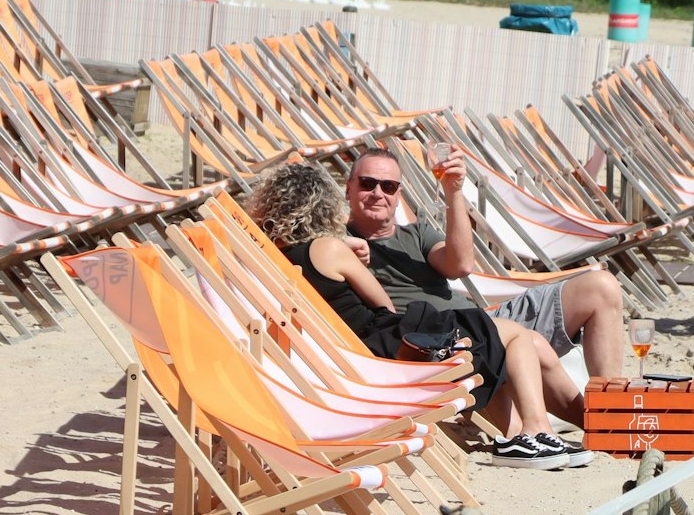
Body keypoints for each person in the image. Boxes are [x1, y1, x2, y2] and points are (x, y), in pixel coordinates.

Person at [247, 161, 593, 470]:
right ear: (325, 203)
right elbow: (382, 303)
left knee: (502, 336)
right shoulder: (331, 248)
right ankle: (535, 431)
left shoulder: (277, 258)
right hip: (390, 350)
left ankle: (523, 434)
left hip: (355, 357)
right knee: (514, 333)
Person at [343, 144, 637, 420]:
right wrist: (343, 245)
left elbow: (460, 265)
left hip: (484, 319)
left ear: (398, 194)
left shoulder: (416, 234)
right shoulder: (337, 249)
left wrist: (454, 192)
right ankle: (603, 427)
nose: (378, 193)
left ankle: (607, 408)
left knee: (602, 286)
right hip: (448, 341)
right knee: (529, 343)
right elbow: (307, 249)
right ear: (348, 188)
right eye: (368, 183)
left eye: (389, 186)